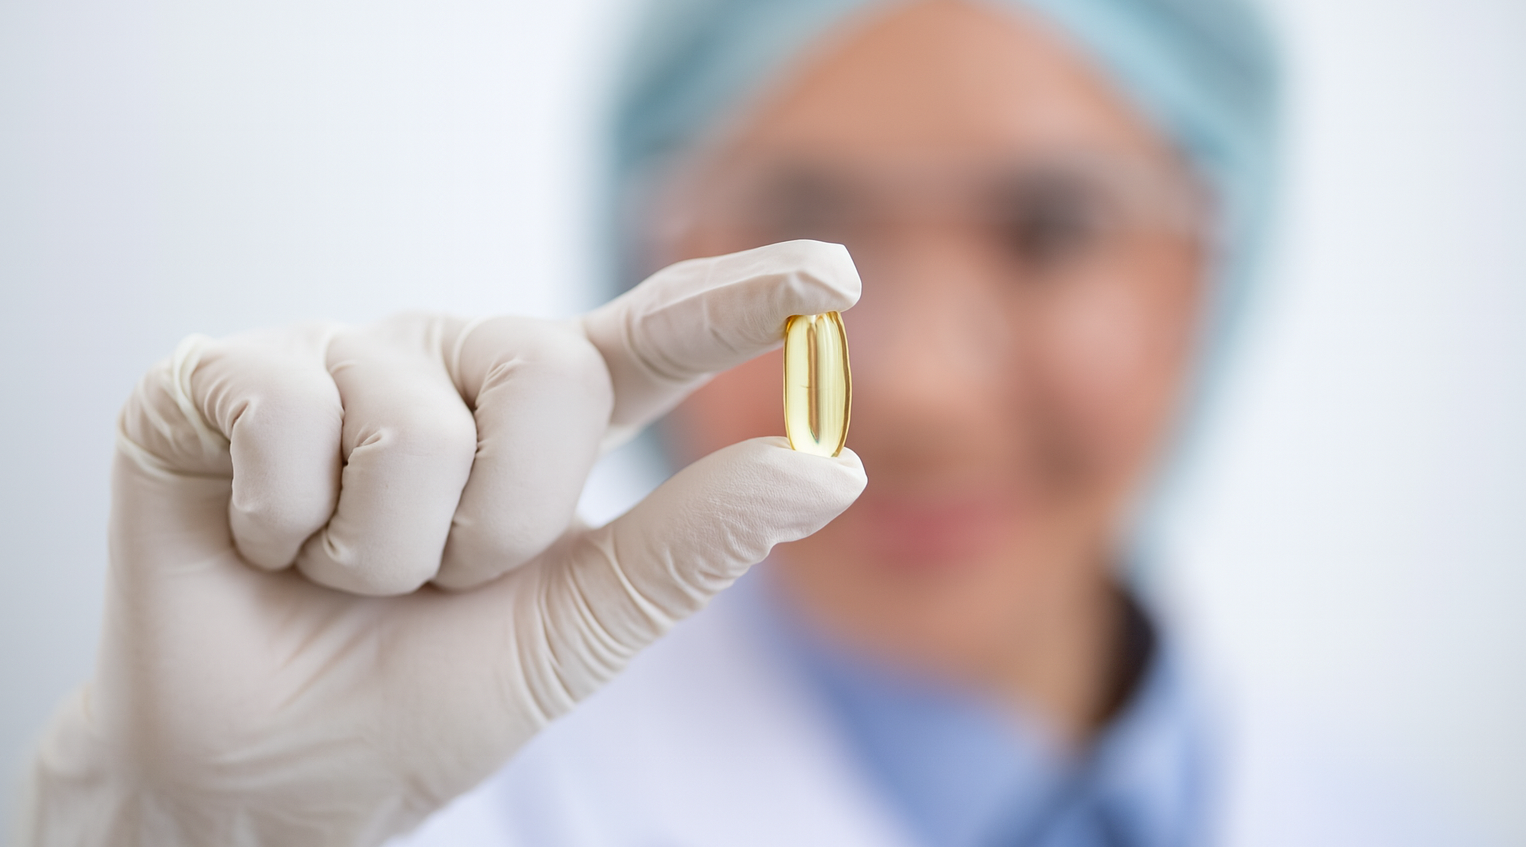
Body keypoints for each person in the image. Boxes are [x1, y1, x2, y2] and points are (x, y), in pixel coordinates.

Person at [17, 1, 1474, 846]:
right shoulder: (442, 810)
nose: (911, 388)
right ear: (644, 252)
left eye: (1049, 224)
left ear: (1206, 272)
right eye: (795, 218)